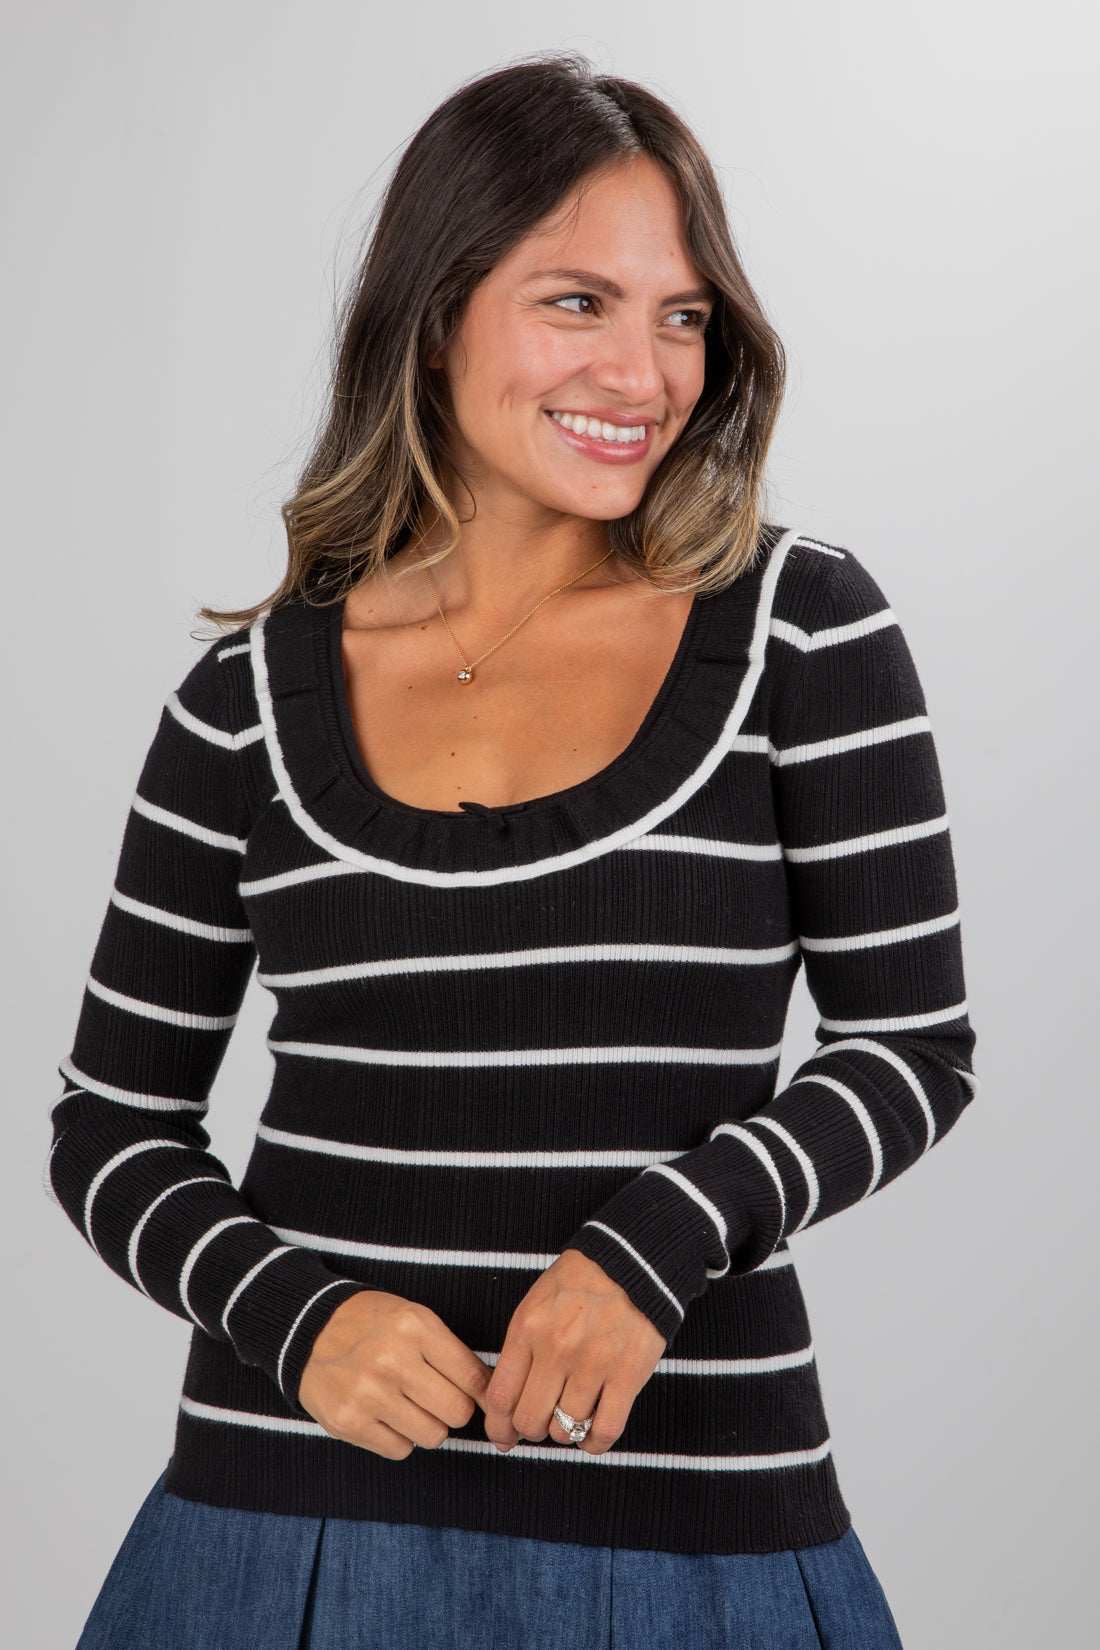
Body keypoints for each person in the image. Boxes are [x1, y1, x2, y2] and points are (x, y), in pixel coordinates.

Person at [52, 53, 976, 1650]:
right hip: (281, 1529)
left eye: (683, 315)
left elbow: (913, 1050)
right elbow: (114, 1125)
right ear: (437, 308)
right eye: (578, 303)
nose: (644, 371)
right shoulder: (246, 702)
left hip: (692, 1522)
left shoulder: (800, 631)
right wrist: (297, 1315)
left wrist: (652, 1247)